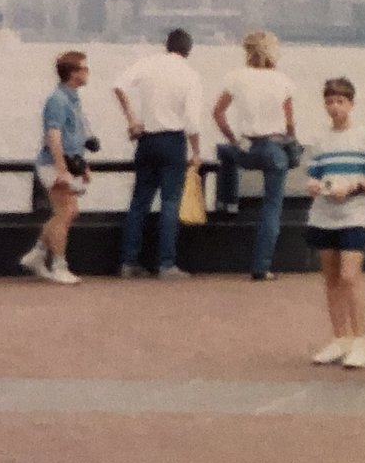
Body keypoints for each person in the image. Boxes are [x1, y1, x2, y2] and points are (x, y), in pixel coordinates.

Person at [300, 78, 365, 371]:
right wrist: (314, 185)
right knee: (332, 278)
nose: (335, 107)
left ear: (351, 103)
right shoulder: (320, 140)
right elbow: (312, 174)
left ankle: (361, 341)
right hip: (324, 214)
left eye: (340, 101)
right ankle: (340, 338)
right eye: (330, 102)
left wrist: (354, 186)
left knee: (351, 276)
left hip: (354, 213)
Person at [113, 27, 203, 279]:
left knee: (139, 202)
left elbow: (118, 85)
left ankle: (129, 261)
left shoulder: (149, 64)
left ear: (167, 45)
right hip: (173, 142)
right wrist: (196, 151)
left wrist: (131, 119)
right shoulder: (190, 76)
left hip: (147, 139)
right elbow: (193, 123)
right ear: (188, 50)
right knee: (170, 203)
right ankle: (166, 264)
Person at [211, 30, 299, 280]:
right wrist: (290, 142)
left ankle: (228, 201)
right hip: (274, 148)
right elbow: (290, 124)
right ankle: (261, 266)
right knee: (271, 208)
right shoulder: (283, 80)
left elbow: (217, 113)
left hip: (248, 147)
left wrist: (234, 139)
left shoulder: (235, 77)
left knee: (225, 152)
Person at [19, 50, 93, 286]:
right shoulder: (58, 101)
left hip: (69, 163)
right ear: (72, 73)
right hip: (54, 164)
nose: (87, 72)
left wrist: (82, 167)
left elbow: (75, 136)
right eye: (84, 68)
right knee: (65, 212)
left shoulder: (73, 99)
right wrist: (61, 170)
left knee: (69, 212)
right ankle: (59, 265)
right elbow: (54, 136)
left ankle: (38, 253)